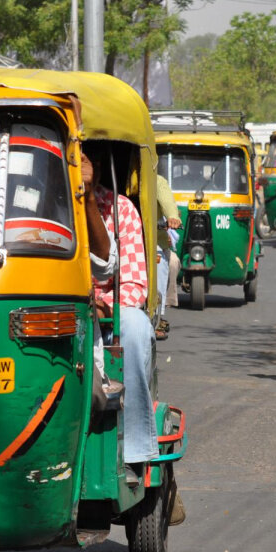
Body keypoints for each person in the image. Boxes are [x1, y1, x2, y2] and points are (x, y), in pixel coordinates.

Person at [86, 146, 159, 468]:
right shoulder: (36, 202)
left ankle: (136, 448)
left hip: (107, 303)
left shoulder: (121, 209)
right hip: (56, 304)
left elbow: (132, 285)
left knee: (136, 328)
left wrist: (101, 306)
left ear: (97, 168)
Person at [154, 174, 182, 340]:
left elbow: (168, 203)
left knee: (168, 262)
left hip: (154, 240)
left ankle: (158, 315)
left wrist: (173, 217)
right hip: (125, 236)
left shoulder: (157, 181)